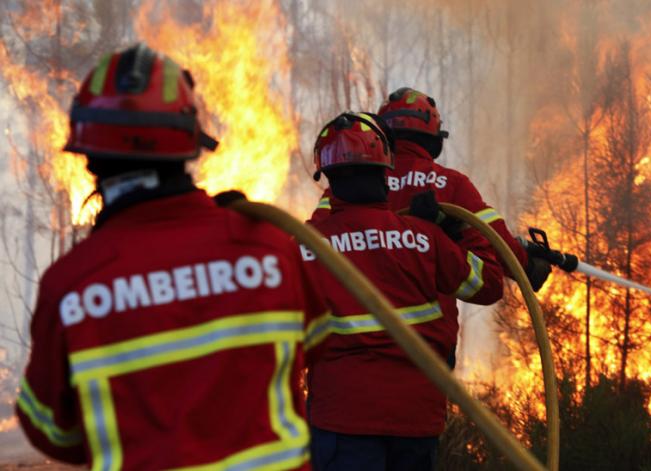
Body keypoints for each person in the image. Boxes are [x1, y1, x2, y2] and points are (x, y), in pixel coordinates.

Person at [16, 44, 326, 470]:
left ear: (88, 157)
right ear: (191, 146)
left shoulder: (71, 285)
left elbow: (51, 431)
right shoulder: (270, 248)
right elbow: (315, 346)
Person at [303, 112, 504, 470]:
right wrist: (453, 229)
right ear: (386, 171)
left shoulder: (305, 248)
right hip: (415, 420)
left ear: (329, 181)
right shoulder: (424, 238)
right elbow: (487, 285)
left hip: (342, 420)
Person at [310, 88, 551, 362]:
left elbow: (313, 241)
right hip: (426, 347)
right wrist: (526, 267)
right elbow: (494, 238)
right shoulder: (448, 183)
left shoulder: (341, 190)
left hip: (347, 342)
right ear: (433, 137)